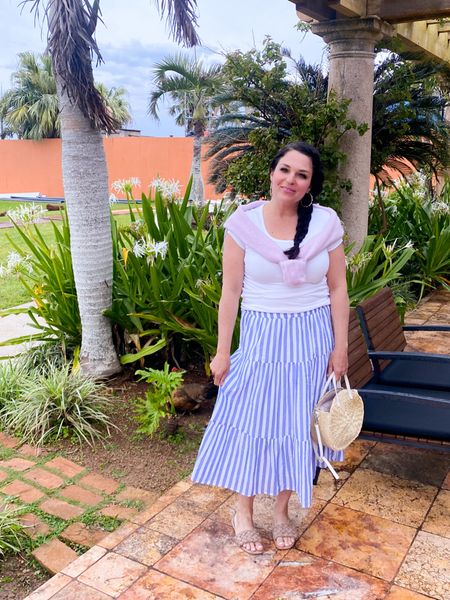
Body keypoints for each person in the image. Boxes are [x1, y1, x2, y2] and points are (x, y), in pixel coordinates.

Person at [191, 141, 349, 554]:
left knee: (298, 427)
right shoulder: (243, 225)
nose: (291, 180)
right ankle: (242, 512)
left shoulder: (325, 225)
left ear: (311, 184)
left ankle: (280, 511)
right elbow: (229, 293)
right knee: (253, 425)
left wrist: (342, 347)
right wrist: (222, 352)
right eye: (285, 170)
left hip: (313, 342)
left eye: (302, 174)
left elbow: (338, 288)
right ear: (272, 173)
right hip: (262, 340)